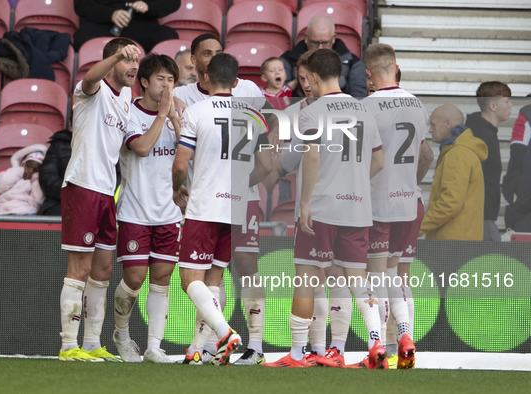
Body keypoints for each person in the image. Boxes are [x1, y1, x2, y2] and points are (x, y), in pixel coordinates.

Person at [264, 49, 386, 369]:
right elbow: (379, 161)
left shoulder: (313, 111)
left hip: (323, 207)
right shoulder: (364, 110)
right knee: (356, 280)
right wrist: (356, 182)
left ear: (315, 77)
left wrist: (304, 202)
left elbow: (313, 156)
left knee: (306, 276)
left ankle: (296, 354)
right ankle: (377, 344)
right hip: (358, 209)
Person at [173, 33, 272, 366]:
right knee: (213, 279)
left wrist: (177, 189)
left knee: (191, 280)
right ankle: (200, 348)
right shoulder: (253, 115)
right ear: (237, 79)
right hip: (237, 207)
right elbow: (267, 165)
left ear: (205, 77)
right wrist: (243, 184)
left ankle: (225, 333)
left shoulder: (196, 112)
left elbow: (180, 164)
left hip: (204, 205)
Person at [58, 38, 140, 362]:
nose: (133, 66)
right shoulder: (91, 92)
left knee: (103, 269)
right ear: (112, 61)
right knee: (78, 267)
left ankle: (92, 344)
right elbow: (90, 79)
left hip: (107, 191)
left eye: (136, 61)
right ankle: (68, 346)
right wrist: (117, 54)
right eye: (127, 60)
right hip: (82, 185)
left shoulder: (127, 98)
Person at [362, 43, 429, 370]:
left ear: (369, 74)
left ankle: (383, 349)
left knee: (375, 278)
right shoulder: (418, 104)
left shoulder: (366, 106)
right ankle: (406, 339)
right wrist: (410, 182)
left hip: (378, 202)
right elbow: (427, 155)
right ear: (396, 67)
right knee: (399, 275)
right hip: (410, 201)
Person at [112, 53, 182, 363]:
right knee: (135, 277)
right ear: (143, 82)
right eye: (161, 79)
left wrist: (176, 120)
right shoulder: (131, 113)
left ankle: (154, 346)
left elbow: (188, 156)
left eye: (171, 80)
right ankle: (122, 335)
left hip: (169, 213)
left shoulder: (177, 114)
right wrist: (162, 115)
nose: (167, 85)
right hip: (134, 212)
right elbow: (140, 148)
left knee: (162, 280)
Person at [420, 104, 488, 240]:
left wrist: (417, 228)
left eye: (433, 125)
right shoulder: (461, 150)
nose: (430, 130)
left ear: (447, 123)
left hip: (451, 244)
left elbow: (449, 203)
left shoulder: (457, 153)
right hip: (462, 240)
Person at [465, 81, 513, 241]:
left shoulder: (485, 132)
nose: (511, 105)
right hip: (480, 219)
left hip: (482, 217)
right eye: (506, 101)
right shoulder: (482, 136)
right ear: (493, 106)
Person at [280, 15, 367, 98]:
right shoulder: (287, 60)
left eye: (325, 43)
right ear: (306, 38)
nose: (320, 48)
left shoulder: (353, 62)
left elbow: (358, 98)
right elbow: (278, 95)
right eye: (315, 42)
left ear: (333, 38)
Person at [73, 0, 180, 53]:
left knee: (167, 37)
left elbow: (173, 2)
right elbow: (81, 4)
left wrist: (148, 6)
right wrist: (111, 14)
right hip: (102, 25)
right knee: (81, 39)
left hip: (141, 25)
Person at [0, 145, 47, 215]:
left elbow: (38, 201)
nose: (30, 171)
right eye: (28, 166)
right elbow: (1, 186)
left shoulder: (37, 183)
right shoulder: (15, 177)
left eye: (35, 170)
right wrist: (18, 170)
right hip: (3, 209)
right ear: (24, 164)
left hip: (26, 211)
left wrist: (36, 181)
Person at [37, 129, 72, 216]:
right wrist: (70, 194)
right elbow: (47, 176)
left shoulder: (103, 145)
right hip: (58, 201)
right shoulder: (60, 143)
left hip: (94, 202)